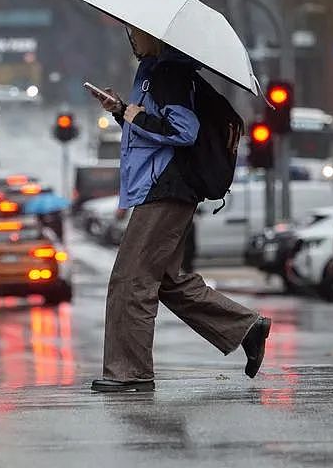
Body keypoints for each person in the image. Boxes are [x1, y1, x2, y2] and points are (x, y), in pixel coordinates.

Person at [88, 25, 271, 393]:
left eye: (137, 33)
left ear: (155, 37)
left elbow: (183, 131)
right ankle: (247, 327)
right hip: (165, 189)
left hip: (165, 190)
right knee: (167, 281)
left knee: (131, 280)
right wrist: (122, 110)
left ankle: (130, 373)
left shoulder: (168, 73)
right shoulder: (158, 73)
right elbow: (152, 126)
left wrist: (132, 114)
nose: (132, 38)